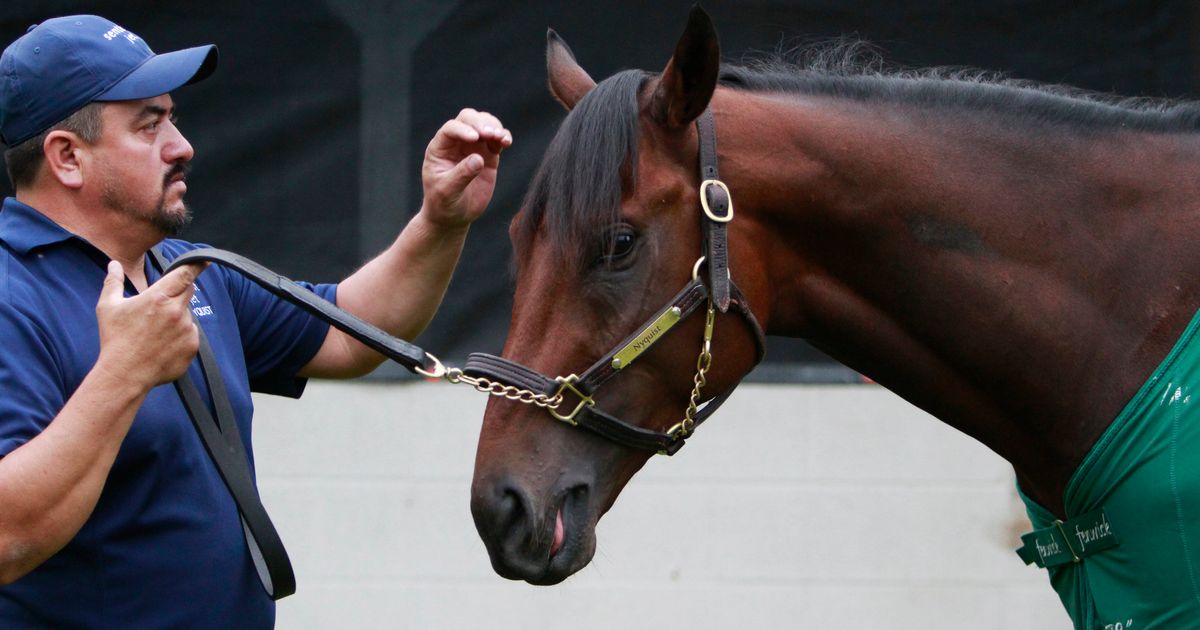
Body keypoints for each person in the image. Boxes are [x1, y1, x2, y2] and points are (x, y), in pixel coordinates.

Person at [0, 15, 511, 627]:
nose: (181, 145)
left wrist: (441, 221)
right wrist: (124, 375)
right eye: (149, 125)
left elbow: (349, 333)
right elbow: (8, 538)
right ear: (67, 158)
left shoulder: (187, 270)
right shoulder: (11, 293)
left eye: (173, 118)